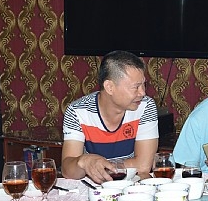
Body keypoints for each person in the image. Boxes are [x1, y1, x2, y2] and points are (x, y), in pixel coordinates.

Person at [62, 50, 158, 183]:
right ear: (109, 87)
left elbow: (143, 166)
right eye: (136, 87)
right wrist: (83, 161)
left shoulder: (145, 106)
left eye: (144, 85)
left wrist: (99, 167)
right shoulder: (78, 111)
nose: (142, 93)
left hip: (129, 184)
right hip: (93, 187)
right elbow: (68, 171)